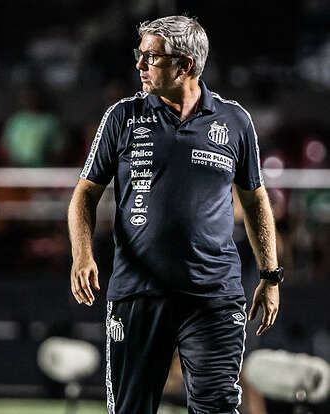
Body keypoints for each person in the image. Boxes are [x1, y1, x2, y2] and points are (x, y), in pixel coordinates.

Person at [68, 16, 281, 414]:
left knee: (217, 407)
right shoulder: (122, 116)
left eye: (151, 57)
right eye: (140, 55)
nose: (140, 66)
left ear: (184, 65)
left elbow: (255, 201)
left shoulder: (235, 121)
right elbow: (84, 196)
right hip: (138, 293)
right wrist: (82, 255)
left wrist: (270, 276)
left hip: (214, 295)